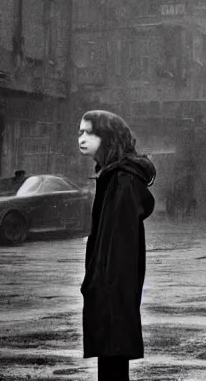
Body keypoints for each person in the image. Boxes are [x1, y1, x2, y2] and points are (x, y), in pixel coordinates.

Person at [78, 110, 157, 381]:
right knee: (111, 364)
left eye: (90, 132)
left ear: (109, 138)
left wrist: (101, 286)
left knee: (112, 367)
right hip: (110, 292)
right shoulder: (114, 177)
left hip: (112, 293)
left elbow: (120, 247)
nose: (82, 138)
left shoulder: (121, 182)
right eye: (81, 132)